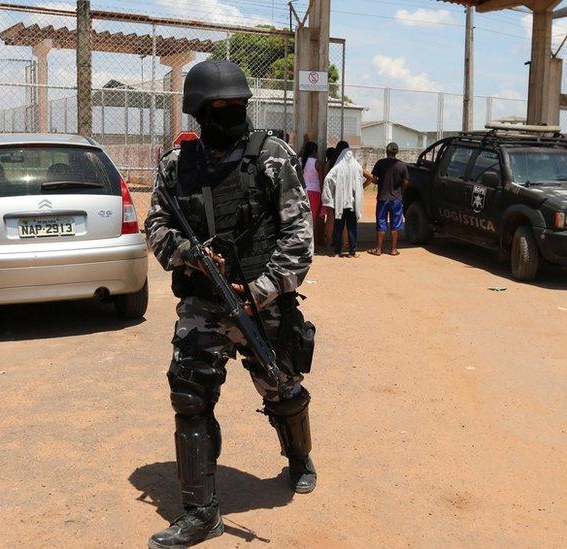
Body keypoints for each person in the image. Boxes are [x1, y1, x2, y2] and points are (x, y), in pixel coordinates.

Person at [144, 60, 316, 549]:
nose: (230, 116)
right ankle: (200, 512)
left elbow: (299, 240)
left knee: (282, 390)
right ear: (199, 112)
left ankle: (299, 457)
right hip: (202, 304)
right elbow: (158, 228)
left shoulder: (273, 158)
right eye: (219, 109)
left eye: (237, 107)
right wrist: (190, 257)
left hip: (264, 304)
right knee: (189, 398)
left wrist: (259, 288)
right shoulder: (178, 165)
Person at [321, 142, 370, 258]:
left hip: (339, 203)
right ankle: (352, 252)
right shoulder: (357, 167)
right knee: (352, 227)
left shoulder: (337, 167)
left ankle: (337, 251)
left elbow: (327, 179)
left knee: (338, 227)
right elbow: (368, 178)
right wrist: (360, 189)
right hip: (352, 203)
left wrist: (329, 196)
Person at [369, 142, 408, 256]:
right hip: (396, 199)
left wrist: (380, 182)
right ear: (396, 152)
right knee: (395, 224)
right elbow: (406, 182)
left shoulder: (380, 163)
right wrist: (400, 190)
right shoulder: (402, 165)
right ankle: (393, 249)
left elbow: (374, 179)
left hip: (382, 198)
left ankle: (378, 249)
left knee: (381, 222)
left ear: (387, 151)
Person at [300, 141, 322, 223]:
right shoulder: (317, 163)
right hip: (314, 192)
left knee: (303, 218)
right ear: (314, 151)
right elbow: (321, 181)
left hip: (302, 192)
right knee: (312, 219)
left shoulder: (300, 160)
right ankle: (311, 235)